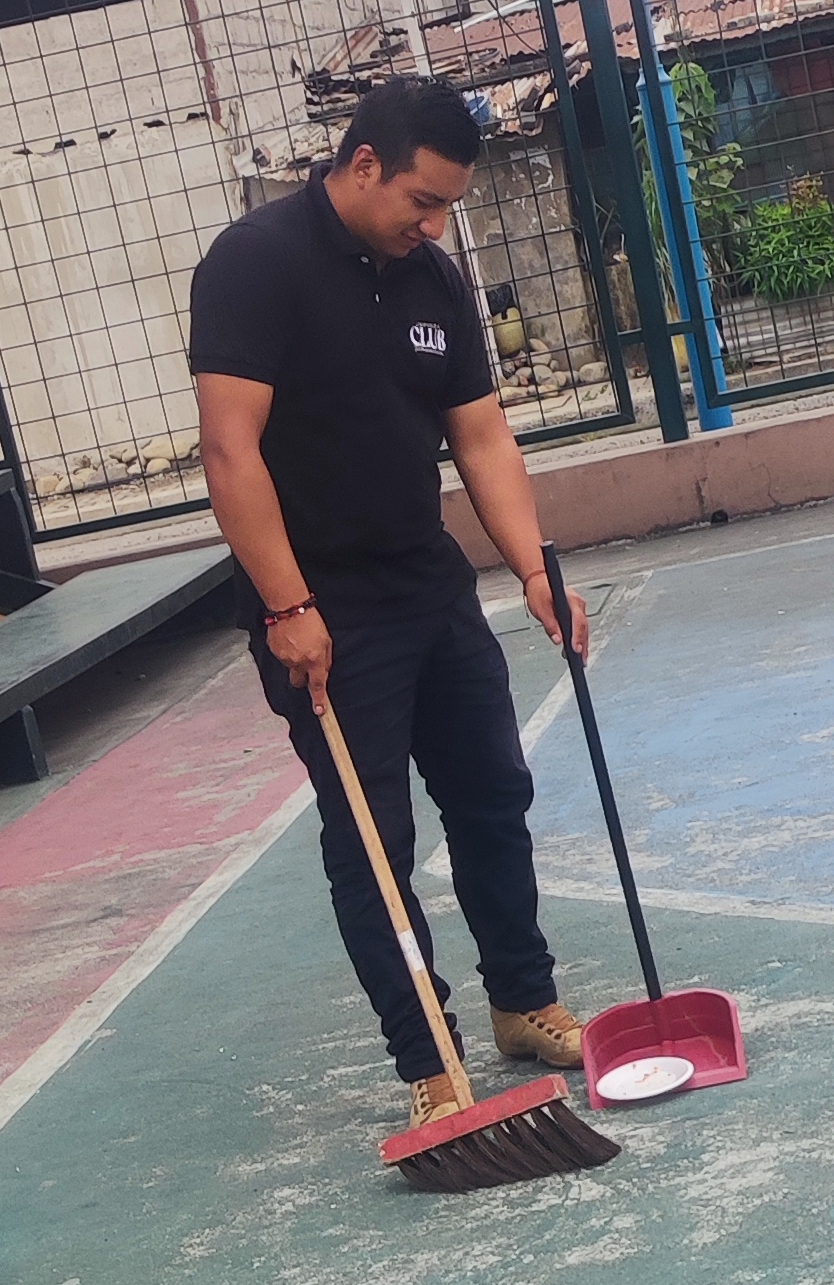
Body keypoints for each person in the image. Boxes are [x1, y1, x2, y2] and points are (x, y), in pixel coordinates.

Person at [189, 76, 591, 1130]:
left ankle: (524, 1000)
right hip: (322, 608)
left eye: (449, 205)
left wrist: (535, 569)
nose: (436, 225)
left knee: (493, 792)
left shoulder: (432, 277)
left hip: (427, 581)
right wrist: (287, 606)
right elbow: (229, 451)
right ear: (363, 164)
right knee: (373, 840)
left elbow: (481, 435)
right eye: (423, 200)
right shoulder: (255, 263)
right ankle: (429, 1058)